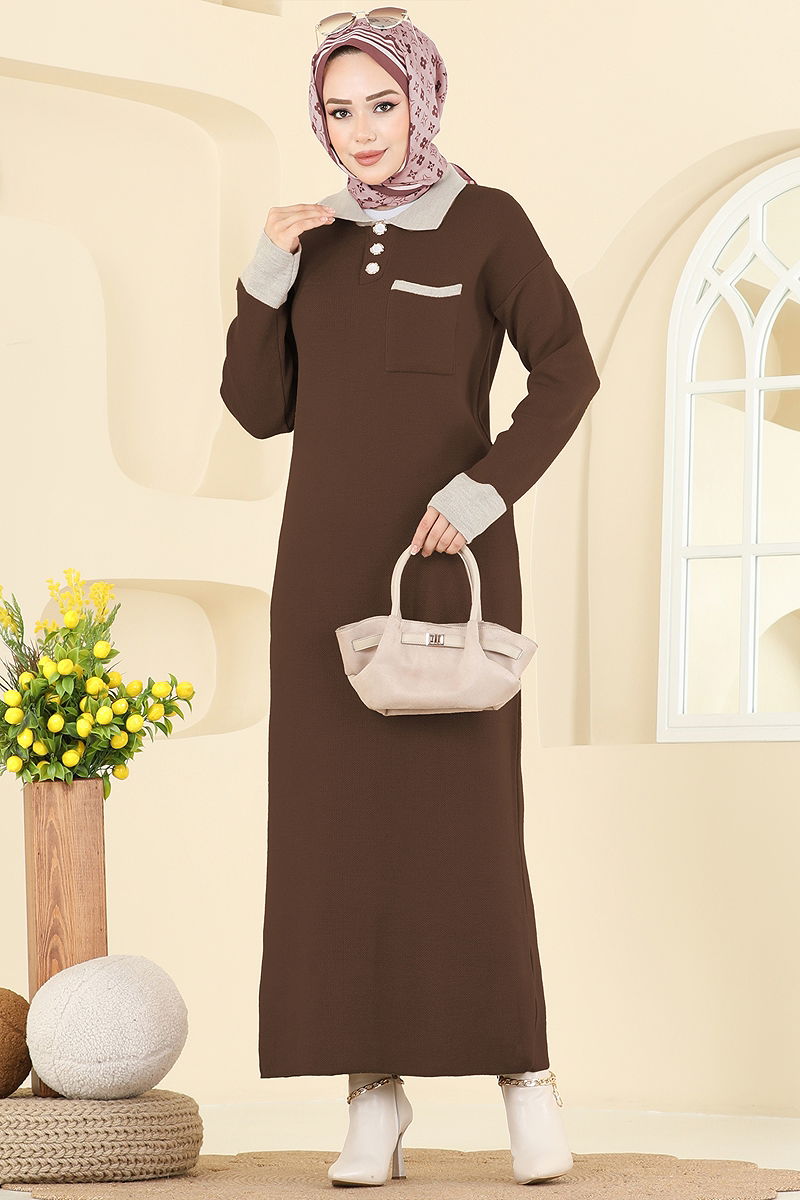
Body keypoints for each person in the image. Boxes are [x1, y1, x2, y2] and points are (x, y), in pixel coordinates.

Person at [219, 9, 601, 1188]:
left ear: (421, 100)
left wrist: (485, 491)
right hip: (324, 577)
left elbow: (565, 370)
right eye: (338, 110)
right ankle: (371, 1099)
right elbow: (256, 409)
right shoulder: (313, 238)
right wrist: (266, 271)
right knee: (336, 841)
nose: (361, 130)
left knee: (466, 835)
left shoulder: (489, 222)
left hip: (447, 566)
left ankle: (524, 1080)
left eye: (380, 104)